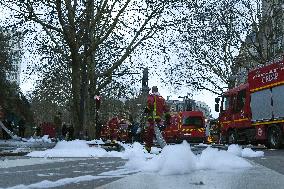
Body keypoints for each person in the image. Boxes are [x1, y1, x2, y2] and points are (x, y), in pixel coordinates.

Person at [143, 86, 169, 153]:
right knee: (156, 133)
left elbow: (150, 104)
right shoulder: (162, 98)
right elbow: (166, 109)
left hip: (152, 118)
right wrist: (168, 117)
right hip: (158, 118)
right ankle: (149, 148)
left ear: (152, 90)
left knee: (151, 134)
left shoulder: (151, 97)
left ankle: (165, 149)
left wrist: (147, 110)